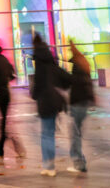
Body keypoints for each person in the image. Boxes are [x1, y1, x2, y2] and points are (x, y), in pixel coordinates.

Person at [30, 33, 68, 177]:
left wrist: (34, 96)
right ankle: (50, 166)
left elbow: (36, 88)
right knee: (49, 134)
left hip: (44, 103)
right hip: (54, 103)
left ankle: (48, 166)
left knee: (45, 135)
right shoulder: (51, 64)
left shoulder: (39, 67)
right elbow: (65, 79)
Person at [0, 38, 21, 162]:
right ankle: (2, 147)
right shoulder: (5, 60)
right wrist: (6, 81)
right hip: (7, 93)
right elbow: (12, 75)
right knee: (4, 121)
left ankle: (0, 148)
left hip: (0, 95)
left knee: (3, 123)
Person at [67, 43, 95, 174]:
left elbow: (76, 84)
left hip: (77, 103)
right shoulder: (84, 64)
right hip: (84, 103)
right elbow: (88, 84)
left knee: (75, 134)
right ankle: (79, 162)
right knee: (77, 133)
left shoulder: (77, 67)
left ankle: (79, 164)